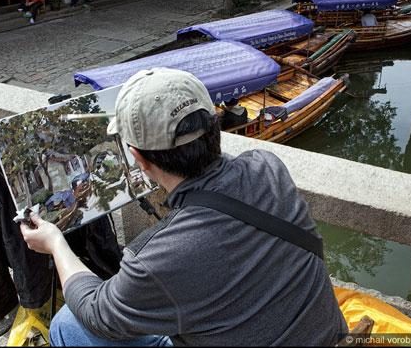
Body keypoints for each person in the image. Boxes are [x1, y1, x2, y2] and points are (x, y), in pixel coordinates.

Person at [20, 68, 347, 346]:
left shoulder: (157, 258)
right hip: (321, 335)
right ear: (215, 127)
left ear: (137, 159)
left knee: (68, 324)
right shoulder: (268, 166)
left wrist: (56, 244)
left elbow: (94, 311)